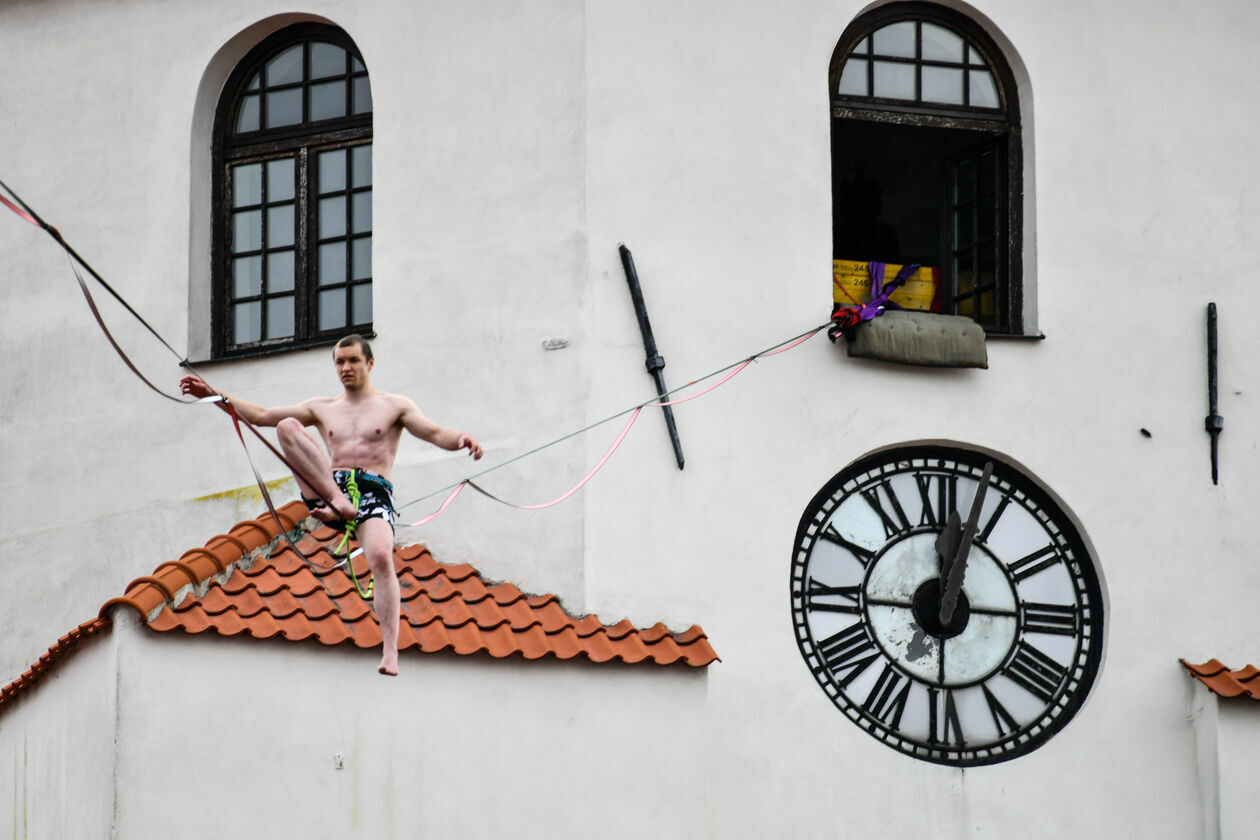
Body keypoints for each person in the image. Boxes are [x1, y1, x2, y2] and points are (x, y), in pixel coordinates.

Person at [180, 334, 483, 676]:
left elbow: (432, 432)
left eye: (353, 360)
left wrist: (461, 440)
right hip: (328, 486)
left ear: (369, 363)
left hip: (374, 492)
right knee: (287, 426)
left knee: (382, 558)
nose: (346, 368)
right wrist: (214, 395)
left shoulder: (395, 406)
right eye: (339, 362)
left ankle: (390, 651)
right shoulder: (322, 407)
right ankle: (338, 502)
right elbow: (262, 414)